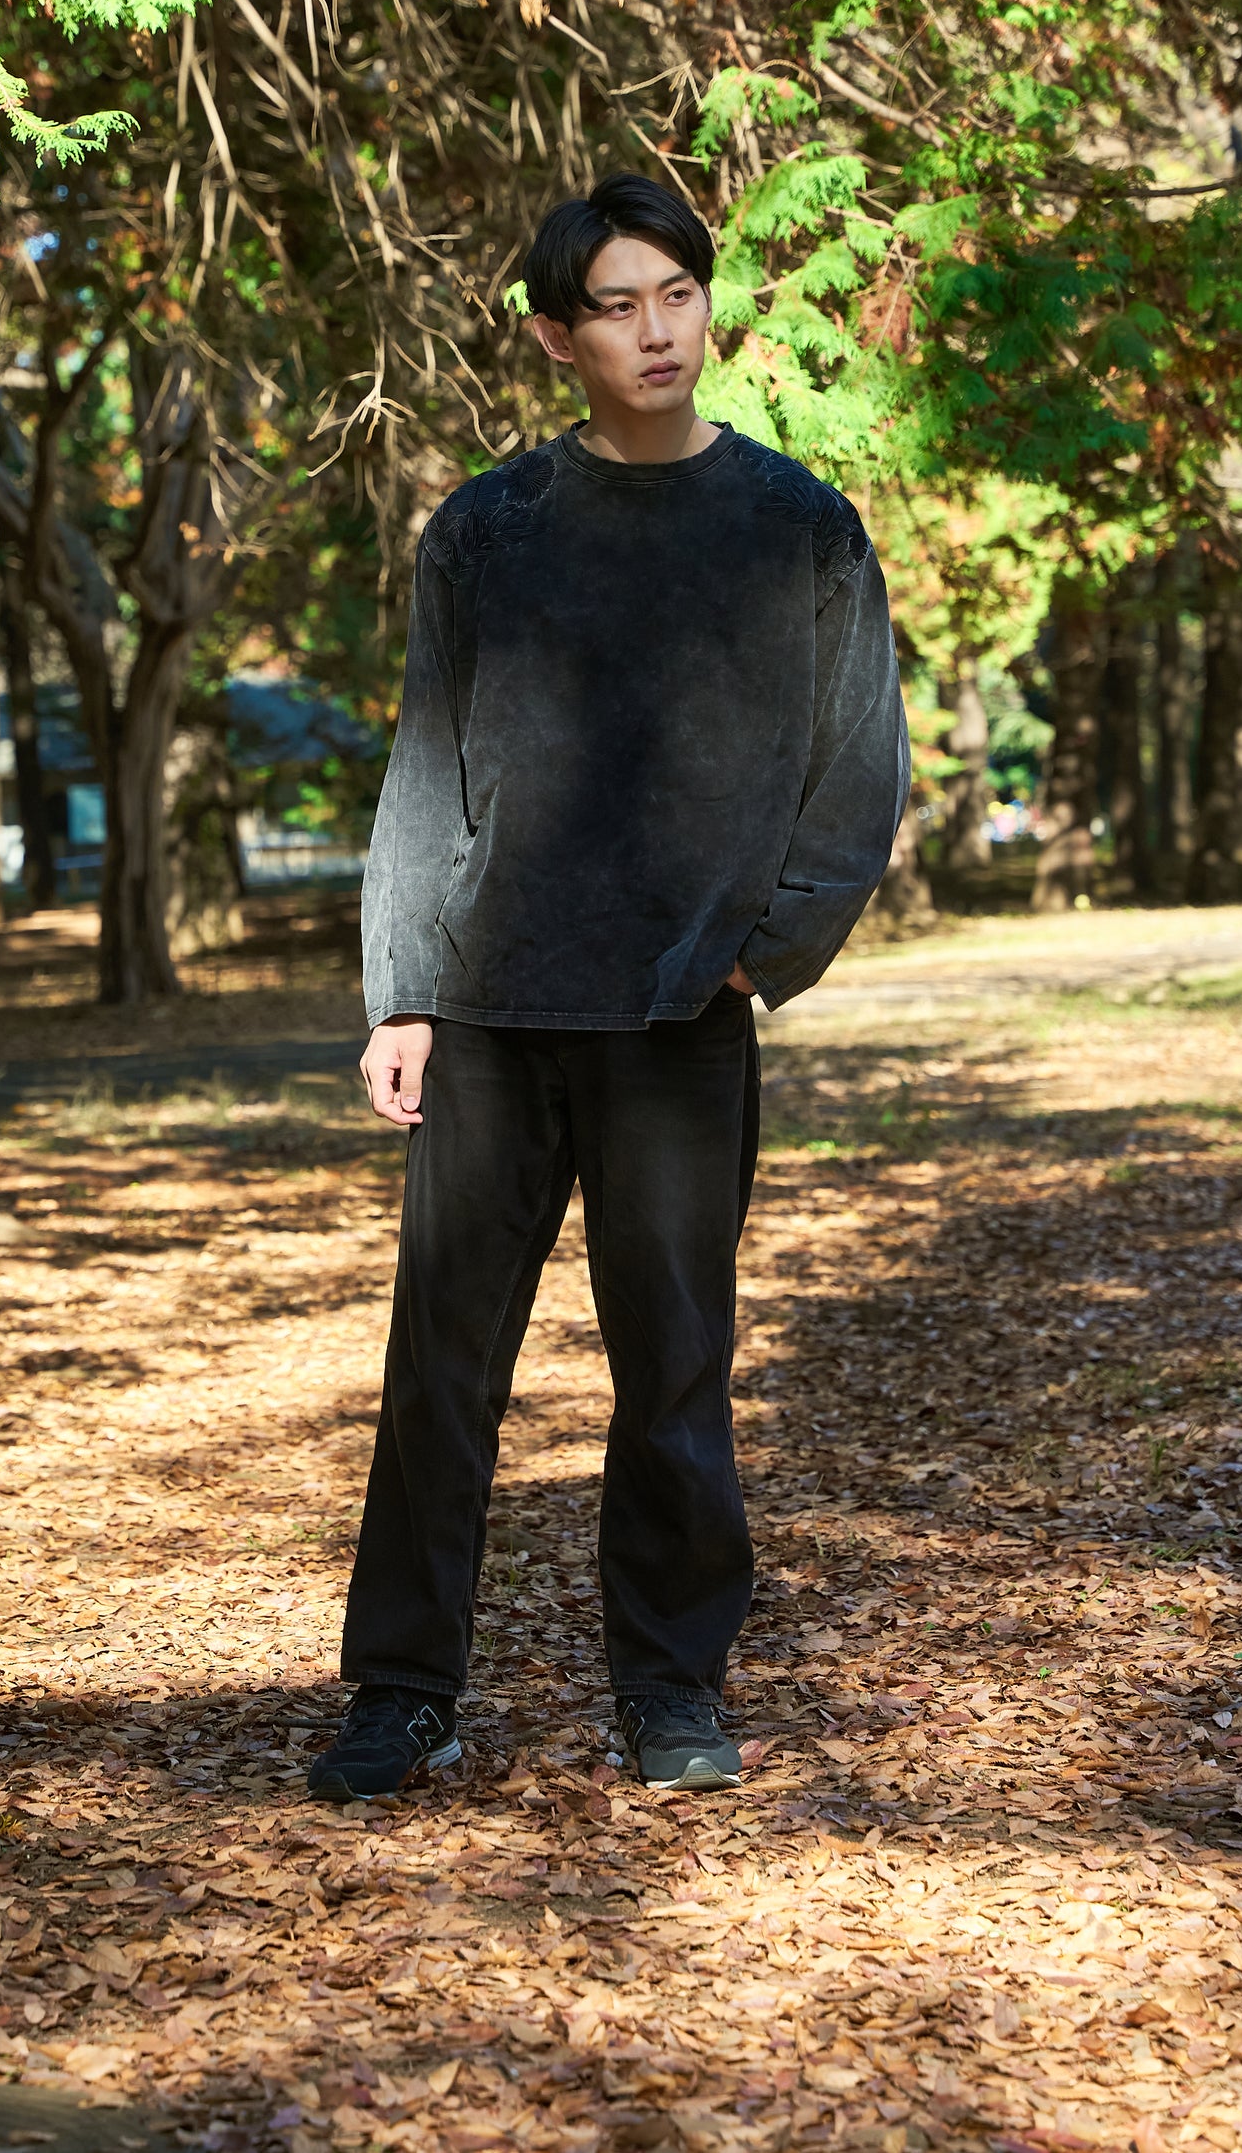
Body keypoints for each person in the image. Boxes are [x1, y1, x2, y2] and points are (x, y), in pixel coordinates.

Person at [309, 173, 909, 1802]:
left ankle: (670, 1686)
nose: (656, 331)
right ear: (554, 337)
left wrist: (762, 947)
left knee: (674, 1371)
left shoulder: (795, 527)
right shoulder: (488, 530)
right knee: (440, 1372)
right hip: (490, 1014)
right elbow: (426, 768)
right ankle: (401, 1692)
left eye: (677, 295)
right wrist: (401, 992)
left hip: (677, 1015)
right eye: (617, 306)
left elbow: (858, 767)